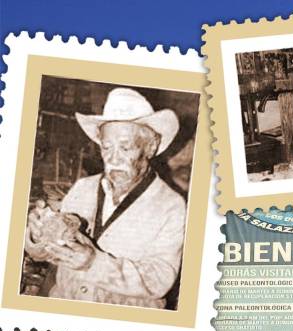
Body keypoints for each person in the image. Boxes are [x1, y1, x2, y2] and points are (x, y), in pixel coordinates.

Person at [23, 87, 187, 309]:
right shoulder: (83, 188)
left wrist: (93, 263)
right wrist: (38, 234)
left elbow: (159, 280)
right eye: (107, 148)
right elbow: (48, 253)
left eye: (125, 148)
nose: (113, 159)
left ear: (150, 147)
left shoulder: (171, 206)